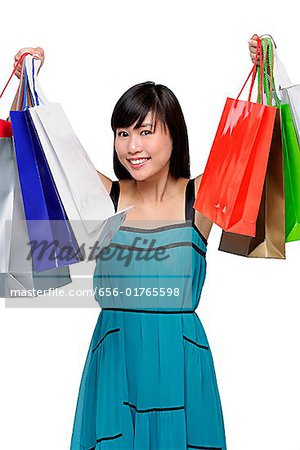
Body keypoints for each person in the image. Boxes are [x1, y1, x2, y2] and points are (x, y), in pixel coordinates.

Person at [13, 36, 258, 450]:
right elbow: (45, 156)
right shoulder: (104, 196)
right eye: (123, 133)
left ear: (173, 135)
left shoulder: (199, 200)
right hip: (114, 357)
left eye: (145, 131)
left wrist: (261, 71)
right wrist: (28, 84)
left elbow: (247, 147)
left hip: (181, 361)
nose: (133, 146)